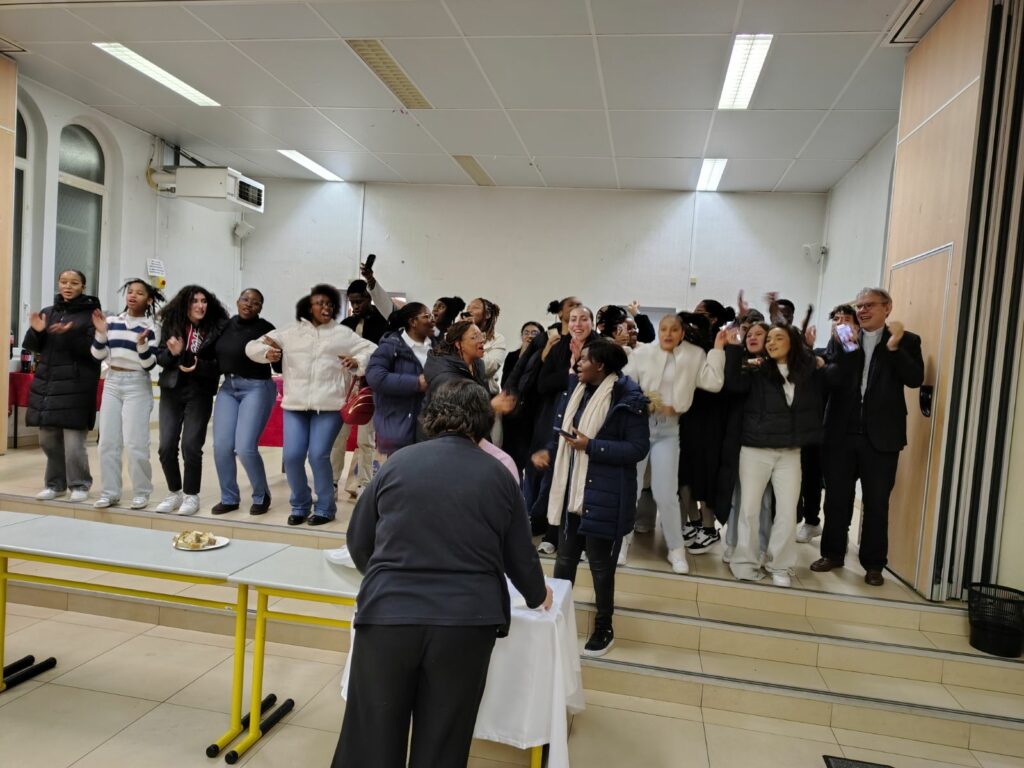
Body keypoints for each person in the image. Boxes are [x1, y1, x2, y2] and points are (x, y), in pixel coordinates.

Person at [333, 379, 551, 768]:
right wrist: (537, 595)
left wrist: (385, 577)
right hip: (466, 623)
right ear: (484, 419)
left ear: (431, 416)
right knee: (444, 741)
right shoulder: (499, 475)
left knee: (372, 737)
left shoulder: (398, 462)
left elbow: (358, 540)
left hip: (388, 616)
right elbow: (519, 555)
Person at [532, 339, 648, 656]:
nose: (578, 364)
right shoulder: (577, 391)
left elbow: (638, 449)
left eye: (584, 360)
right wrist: (549, 452)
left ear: (601, 365)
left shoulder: (628, 399)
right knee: (564, 562)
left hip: (605, 496)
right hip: (573, 493)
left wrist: (592, 446)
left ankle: (603, 626)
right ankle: (556, 620)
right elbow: (567, 435)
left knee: (600, 568)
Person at [812, 288, 924, 586]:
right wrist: (843, 349)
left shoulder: (907, 341)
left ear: (887, 307)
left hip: (882, 438)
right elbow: (832, 381)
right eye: (859, 306)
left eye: (869, 305)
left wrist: (894, 346)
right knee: (836, 499)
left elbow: (914, 379)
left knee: (876, 504)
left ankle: (874, 564)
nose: (862, 310)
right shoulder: (845, 337)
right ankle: (833, 553)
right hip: (840, 433)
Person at [247, 284, 376, 526]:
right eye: (319, 303)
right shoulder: (289, 332)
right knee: (293, 456)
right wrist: (266, 353)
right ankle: (300, 504)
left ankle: (326, 507)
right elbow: (251, 346)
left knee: (318, 455)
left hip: (329, 406)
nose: (324, 308)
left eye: (329, 304)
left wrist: (356, 360)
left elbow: (372, 349)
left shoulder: (342, 334)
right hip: (295, 405)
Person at [623, 314, 726, 572]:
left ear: (681, 333)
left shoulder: (694, 354)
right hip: (638, 428)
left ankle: (676, 549)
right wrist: (641, 402)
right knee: (630, 488)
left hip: (669, 432)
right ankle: (621, 542)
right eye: (663, 329)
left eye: (674, 330)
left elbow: (713, 383)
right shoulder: (643, 353)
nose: (668, 334)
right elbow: (624, 384)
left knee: (665, 492)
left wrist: (718, 350)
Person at [725, 324, 824, 586]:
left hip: (790, 452)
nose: (770, 342)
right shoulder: (757, 369)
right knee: (749, 509)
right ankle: (744, 563)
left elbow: (838, 378)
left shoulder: (806, 371)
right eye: (769, 339)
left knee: (787, 511)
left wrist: (820, 354)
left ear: (793, 342)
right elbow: (733, 385)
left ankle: (780, 565)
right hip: (755, 449)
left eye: (778, 337)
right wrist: (735, 348)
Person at [23, 269, 102, 503]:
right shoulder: (49, 312)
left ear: (83, 287)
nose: (68, 286)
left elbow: (94, 352)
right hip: (48, 383)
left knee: (74, 443)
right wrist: (37, 331)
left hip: (77, 384)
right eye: (64, 282)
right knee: (47, 439)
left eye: (74, 283)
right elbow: (34, 347)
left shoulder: (92, 315)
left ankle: (80, 484)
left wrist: (70, 335)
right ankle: (55, 485)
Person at [154, 285, 229, 515]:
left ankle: (191, 495)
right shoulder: (172, 324)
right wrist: (174, 354)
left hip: (200, 391)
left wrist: (198, 364)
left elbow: (219, 365)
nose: (200, 306)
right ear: (185, 305)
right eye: (194, 301)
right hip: (172, 389)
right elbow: (160, 356)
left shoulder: (216, 328)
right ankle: (174, 492)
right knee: (166, 447)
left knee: (191, 446)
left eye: (204, 301)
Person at [91, 278, 163, 509]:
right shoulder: (112, 321)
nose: (132, 296)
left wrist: (142, 345)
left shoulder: (152, 326)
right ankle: (110, 492)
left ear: (149, 299)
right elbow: (97, 355)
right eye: (130, 292)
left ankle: (142, 492)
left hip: (137, 383)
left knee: (135, 443)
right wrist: (101, 334)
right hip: (112, 381)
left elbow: (149, 365)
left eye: (139, 293)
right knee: (107, 442)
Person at [533, 305, 599, 553]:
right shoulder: (560, 346)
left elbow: (599, 381)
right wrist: (571, 371)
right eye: (573, 319)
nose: (578, 324)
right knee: (555, 477)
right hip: (559, 415)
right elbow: (543, 384)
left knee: (582, 480)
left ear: (591, 322)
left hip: (588, 419)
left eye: (583, 319)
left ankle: (579, 539)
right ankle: (552, 534)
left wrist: (577, 370)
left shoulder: (600, 347)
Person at [211, 288, 278, 515]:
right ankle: (229, 498)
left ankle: (261, 495)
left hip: (256, 387)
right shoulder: (225, 325)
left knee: (245, 447)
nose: (249, 304)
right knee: (221, 446)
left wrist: (276, 354)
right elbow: (210, 354)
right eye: (245, 299)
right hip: (228, 388)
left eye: (256, 302)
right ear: (237, 301)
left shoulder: (266, 329)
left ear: (261, 307)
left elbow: (278, 364)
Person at [678, 300, 735, 554]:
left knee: (705, 471)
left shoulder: (721, 344)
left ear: (712, 319)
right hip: (687, 416)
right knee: (685, 472)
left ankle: (710, 527)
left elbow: (718, 385)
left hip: (711, 417)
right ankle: (696, 522)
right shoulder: (687, 345)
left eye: (699, 315)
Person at [718, 322, 771, 562]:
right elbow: (732, 386)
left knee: (766, 500)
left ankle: (761, 546)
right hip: (740, 438)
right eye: (749, 334)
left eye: (759, 334)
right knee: (738, 496)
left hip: (770, 443)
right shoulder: (740, 365)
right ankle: (732, 542)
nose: (753, 337)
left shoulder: (778, 368)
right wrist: (734, 349)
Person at [364, 302, 435, 458]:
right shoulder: (390, 347)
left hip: (428, 427)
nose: (432, 320)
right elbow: (375, 377)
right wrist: (416, 383)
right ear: (413, 322)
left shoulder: (436, 348)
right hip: (398, 426)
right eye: (427, 316)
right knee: (400, 476)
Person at [465, 297, 506, 394]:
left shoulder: (498, 339)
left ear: (487, 314)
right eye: (468, 308)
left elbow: (488, 368)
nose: (469, 311)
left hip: (485, 393)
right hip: (458, 391)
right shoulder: (458, 335)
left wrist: (475, 336)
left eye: (475, 307)